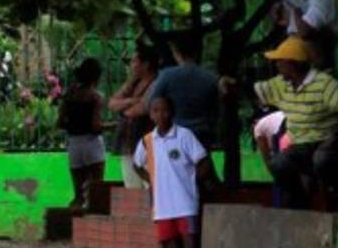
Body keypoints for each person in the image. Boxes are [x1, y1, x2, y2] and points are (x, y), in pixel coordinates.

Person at [251, 36, 338, 209]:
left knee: (322, 159)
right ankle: (299, 202)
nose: (277, 65)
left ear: (292, 63)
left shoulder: (323, 84)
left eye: (280, 61)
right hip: (300, 146)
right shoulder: (281, 84)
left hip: (327, 142)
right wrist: (228, 84)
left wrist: (336, 134)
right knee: (279, 164)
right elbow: (255, 91)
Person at [133, 95, 217, 248]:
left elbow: (204, 162)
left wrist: (191, 181)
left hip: (186, 204)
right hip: (163, 207)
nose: (161, 115)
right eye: (156, 110)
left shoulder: (184, 135)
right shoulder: (147, 141)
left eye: (165, 110)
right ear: (151, 115)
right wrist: (151, 180)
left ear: (172, 112)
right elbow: (137, 164)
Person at [148, 33, 220, 150]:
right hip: (202, 134)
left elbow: (152, 102)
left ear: (177, 53)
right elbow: (216, 109)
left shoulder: (167, 76)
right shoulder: (211, 78)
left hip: (175, 133)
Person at [108, 43, 158, 189]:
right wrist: (131, 101)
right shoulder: (133, 83)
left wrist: (124, 107)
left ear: (146, 64)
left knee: (151, 184)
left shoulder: (156, 83)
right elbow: (112, 103)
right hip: (128, 143)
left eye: (134, 61)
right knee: (132, 187)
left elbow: (140, 109)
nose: (131, 65)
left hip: (146, 141)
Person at [58, 57, 106, 211]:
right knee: (96, 192)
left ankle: (73, 222)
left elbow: (60, 122)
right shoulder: (95, 97)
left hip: (74, 145)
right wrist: (115, 125)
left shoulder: (69, 95)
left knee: (78, 195)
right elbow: (96, 127)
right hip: (93, 145)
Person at [277, 0, 338, 70]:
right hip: (299, 63)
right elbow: (290, 28)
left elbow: (304, 31)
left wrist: (295, 6)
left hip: (315, 63)